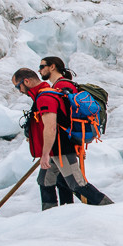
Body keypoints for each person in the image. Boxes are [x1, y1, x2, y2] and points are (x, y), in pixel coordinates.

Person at [12, 68, 113, 210]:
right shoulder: (48, 91)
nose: (19, 90)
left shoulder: (45, 98)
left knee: (77, 183)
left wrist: (45, 154)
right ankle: (52, 215)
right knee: (45, 180)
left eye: (18, 86)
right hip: (57, 148)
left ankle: (111, 209)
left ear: (26, 82)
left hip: (61, 148)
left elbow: (51, 127)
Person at [38, 56, 77, 205]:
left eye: (42, 67)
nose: (39, 70)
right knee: (62, 180)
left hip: (63, 144)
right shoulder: (63, 86)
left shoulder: (61, 88)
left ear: (52, 67)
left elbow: (61, 118)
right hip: (64, 143)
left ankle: (106, 207)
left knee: (72, 183)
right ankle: (63, 213)